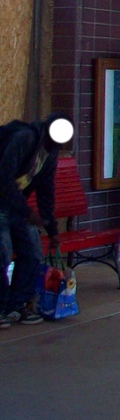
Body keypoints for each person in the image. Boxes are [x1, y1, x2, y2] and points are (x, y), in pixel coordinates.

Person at [0, 114, 73, 327]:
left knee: (32, 250)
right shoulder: (25, 138)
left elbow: (46, 192)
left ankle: (17, 305)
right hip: (6, 203)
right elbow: (3, 178)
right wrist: (27, 211)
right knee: (3, 254)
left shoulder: (51, 153)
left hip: (16, 206)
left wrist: (52, 230)